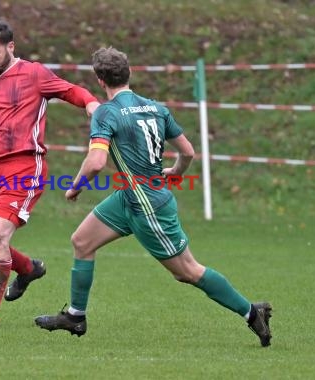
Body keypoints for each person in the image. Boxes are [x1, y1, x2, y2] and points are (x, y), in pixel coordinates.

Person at [34, 47, 273, 347]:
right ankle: (75, 316)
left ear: (99, 80)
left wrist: (76, 186)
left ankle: (252, 312)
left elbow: (96, 162)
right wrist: (175, 171)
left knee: (187, 271)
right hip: (129, 198)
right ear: (129, 72)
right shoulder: (155, 108)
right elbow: (187, 151)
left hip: (147, 206)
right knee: (82, 241)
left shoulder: (106, 113)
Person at [0, 20, 100, 330]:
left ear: (10, 47)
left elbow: (70, 90)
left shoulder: (34, 74)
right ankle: (27, 269)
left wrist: (91, 103)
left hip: (26, 166)